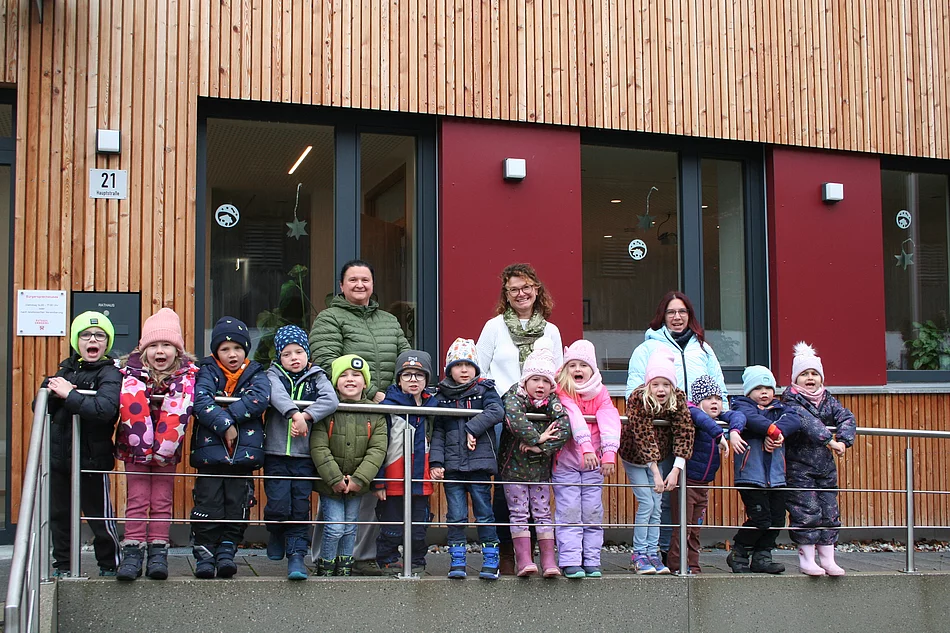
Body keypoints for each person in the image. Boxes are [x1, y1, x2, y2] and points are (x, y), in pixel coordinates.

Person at [309, 259, 410, 575]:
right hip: (344, 412)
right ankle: (322, 556)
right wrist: (369, 393)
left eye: (365, 279)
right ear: (341, 285)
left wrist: (395, 392)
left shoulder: (389, 322)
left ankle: (359, 556)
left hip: (383, 411)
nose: (359, 285)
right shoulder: (330, 318)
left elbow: (405, 361)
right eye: (352, 279)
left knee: (369, 481)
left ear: (372, 284)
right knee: (335, 482)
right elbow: (326, 363)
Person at [625, 291, 727, 561]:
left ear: (689, 316)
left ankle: (677, 552)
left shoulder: (703, 348)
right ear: (663, 316)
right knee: (660, 495)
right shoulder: (647, 348)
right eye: (671, 312)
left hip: (693, 429)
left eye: (682, 312)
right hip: (658, 429)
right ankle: (657, 549)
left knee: (685, 491)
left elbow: (718, 385)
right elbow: (634, 387)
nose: (677, 317)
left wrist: (722, 418)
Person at [476, 263, 563, 573]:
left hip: (540, 420)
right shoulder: (494, 327)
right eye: (514, 289)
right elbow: (479, 371)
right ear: (506, 294)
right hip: (503, 418)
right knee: (505, 487)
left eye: (526, 286)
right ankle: (508, 551)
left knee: (537, 487)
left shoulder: (550, 331)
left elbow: (558, 375)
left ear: (536, 289)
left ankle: (535, 554)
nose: (521, 293)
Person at [114, 308, 199, 581]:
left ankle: (158, 552)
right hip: (133, 446)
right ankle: (132, 551)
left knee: (162, 500)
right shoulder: (127, 374)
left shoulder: (187, 377)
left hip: (167, 449)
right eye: (154, 346)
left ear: (178, 351)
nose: (160, 352)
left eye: (167, 345)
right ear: (143, 349)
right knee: (137, 499)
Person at [42, 311, 122, 577]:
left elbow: (105, 409)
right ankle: (63, 567)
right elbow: (39, 406)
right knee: (60, 516)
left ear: (106, 343)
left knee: (100, 518)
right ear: (77, 341)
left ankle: (109, 565)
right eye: (86, 335)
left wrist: (70, 394)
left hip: (91, 459)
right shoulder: (64, 369)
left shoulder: (109, 373)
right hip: (59, 458)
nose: (93, 339)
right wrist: (53, 393)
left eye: (100, 335)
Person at [191, 317, 270, 579]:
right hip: (210, 455)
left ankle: (227, 551)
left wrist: (229, 416)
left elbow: (259, 399)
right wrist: (225, 424)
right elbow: (200, 401)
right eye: (225, 349)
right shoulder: (206, 371)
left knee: (238, 504)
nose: (232, 354)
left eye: (237, 348)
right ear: (216, 351)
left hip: (243, 455)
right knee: (208, 503)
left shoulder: (256, 372)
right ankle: (205, 554)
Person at [263, 325, 339, 580]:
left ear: (307, 354)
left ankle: (296, 557)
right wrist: (295, 415)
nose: (294, 358)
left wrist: (306, 415)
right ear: (279, 358)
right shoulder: (273, 375)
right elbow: (277, 396)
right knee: (278, 502)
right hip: (275, 452)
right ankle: (275, 530)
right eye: (287, 354)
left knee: (299, 506)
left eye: (298, 352)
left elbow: (331, 400)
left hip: (304, 456)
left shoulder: (317, 376)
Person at [430, 338, 504, 580]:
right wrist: (436, 462)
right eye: (458, 365)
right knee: (456, 516)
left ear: (476, 368)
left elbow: (497, 411)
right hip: (452, 468)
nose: (464, 370)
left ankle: (491, 561)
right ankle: (458, 561)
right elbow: (438, 432)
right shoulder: (442, 396)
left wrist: (472, 428)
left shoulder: (485, 390)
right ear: (449, 368)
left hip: (479, 465)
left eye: (469, 365)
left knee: (484, 514)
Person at [497, 338, 571, 578]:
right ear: (525, 380)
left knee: (542, 512)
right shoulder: (513, 396)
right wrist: (537, 438)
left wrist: (544, 448)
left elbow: (564, 425)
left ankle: (549, 561)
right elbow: (515, 419)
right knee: (518, 512)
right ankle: (524, 560)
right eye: (535, 379)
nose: (540, 385)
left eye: (546, 381)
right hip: (513, 469)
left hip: (539, 470)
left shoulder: (553, 402)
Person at [781, 342, 856, 577]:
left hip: (825, 467)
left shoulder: (827, 399)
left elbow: (846, 416)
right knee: (806, 510)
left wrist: (844, 439)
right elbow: (806, 422)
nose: (810, 378)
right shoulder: (790, 400)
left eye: (814, 373)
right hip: (799, 465)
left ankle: (828, 558)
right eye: (804, 374)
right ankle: (807, 558)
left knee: (829, 510)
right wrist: (829, 440)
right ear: (795, 379)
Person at [310, 355, 388, 577]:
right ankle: (326, 565)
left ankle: (344, 566)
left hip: (357, 483)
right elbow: (318, 446)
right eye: (343, 375)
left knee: (350, 527)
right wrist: (334, 478)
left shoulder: (375, 413)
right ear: (335, 382)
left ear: (365, 383)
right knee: (335, 527)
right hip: (330, 483)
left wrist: (359, 479)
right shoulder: (326, 410)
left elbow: (377, 450)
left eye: (356, 375)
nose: (350, 379)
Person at [619, 349, 695, 575]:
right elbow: (643, 436)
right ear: (648, 385)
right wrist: (656, 473)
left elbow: (685, 431)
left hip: (660, 457)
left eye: (665, 384)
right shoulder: (637, 398)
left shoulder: (678, 399)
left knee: (658, 505)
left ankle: (653, 553)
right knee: (648, 502)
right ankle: (639, 554)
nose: (660, 389)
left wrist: (676, 469)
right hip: (635, 456)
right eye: (655, 384)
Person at [551, 339, 621, 579]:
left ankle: (591, 559)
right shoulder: (561, 390)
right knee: (569, 510)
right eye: (572, 365)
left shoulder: (600, 392)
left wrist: (609, 453)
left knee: (592, 511)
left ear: (592, 369)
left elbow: (610, 419)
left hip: (595, 465)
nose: (577, 370)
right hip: (568, 462)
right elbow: (574, 417)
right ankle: (570, 560)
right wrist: (587, 448)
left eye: (583, 365)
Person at [727, 365, 801, 574]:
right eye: (758, 388)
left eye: (768, 387)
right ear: (749, 391)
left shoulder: (781, 408)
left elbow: (794, 420)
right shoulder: (741, 407)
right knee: (760, 518)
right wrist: (772, 430)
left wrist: (778, 436)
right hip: (751, 475)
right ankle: (739, 551)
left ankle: (763, 556)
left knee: (777, 519)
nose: (764, 392)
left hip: (777, 477)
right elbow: (751, 419)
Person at [667, 375, 742, 574]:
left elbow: (738, 416)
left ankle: (693, 565)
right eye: (709, 398)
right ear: (699, 401)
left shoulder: (717, 420)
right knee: (683, 527)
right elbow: (699, 417)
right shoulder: (692, 414)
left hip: (704, 485)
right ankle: (676, 564)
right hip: (687, 482)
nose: (715, 402)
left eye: (718, 398)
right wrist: (719, 436)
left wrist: (733, 431)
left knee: (696, 529)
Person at [375, 351, 440, 575]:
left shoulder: (433, 406)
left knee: (419, 526)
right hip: (393, 477)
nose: (413, 380)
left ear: (427, 379)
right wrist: (379, 479)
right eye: (407, 375)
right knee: (391, 525)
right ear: (399, 378)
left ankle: (416, 560)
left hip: (421, 478)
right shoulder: (389, 406)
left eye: (419, 375)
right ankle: (388, 559)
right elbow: (379, 446)